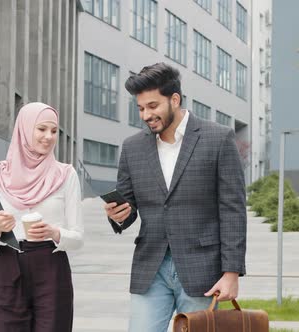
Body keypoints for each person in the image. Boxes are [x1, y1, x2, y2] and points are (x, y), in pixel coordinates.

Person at [103, 63, 247, 331]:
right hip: (151, 268)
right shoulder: (132, 147)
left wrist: (231, 273)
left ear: (175, 99)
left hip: (202, 269)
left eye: (153, 106)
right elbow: (129, 206)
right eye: (141, 108)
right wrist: (118, 215)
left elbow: (233, 210)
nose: (146, 115)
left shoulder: (218, 138)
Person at [0, 102, 84, 332]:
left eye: (54, 131)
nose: (49, 137)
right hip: (8, 267)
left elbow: (78, 238)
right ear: (24, 129)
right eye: (42, 129)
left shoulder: (66, 175)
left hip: (52, 268)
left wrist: (54, 232)